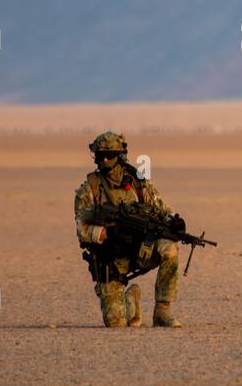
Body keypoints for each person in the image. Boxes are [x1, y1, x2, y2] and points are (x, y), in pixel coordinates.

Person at [74, 131, 183, 327]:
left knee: (170, 249)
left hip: (140, 250)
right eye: (100, 156)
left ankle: (162, 311)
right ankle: (131, 298)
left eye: (110, 155)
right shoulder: (89, 189)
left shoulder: (137, 181)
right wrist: (108, 233)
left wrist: (172, 221)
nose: (105, 160)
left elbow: (159, 208)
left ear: (120, 156)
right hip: (112, 259)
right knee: (117, 323)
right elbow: (82, 230)